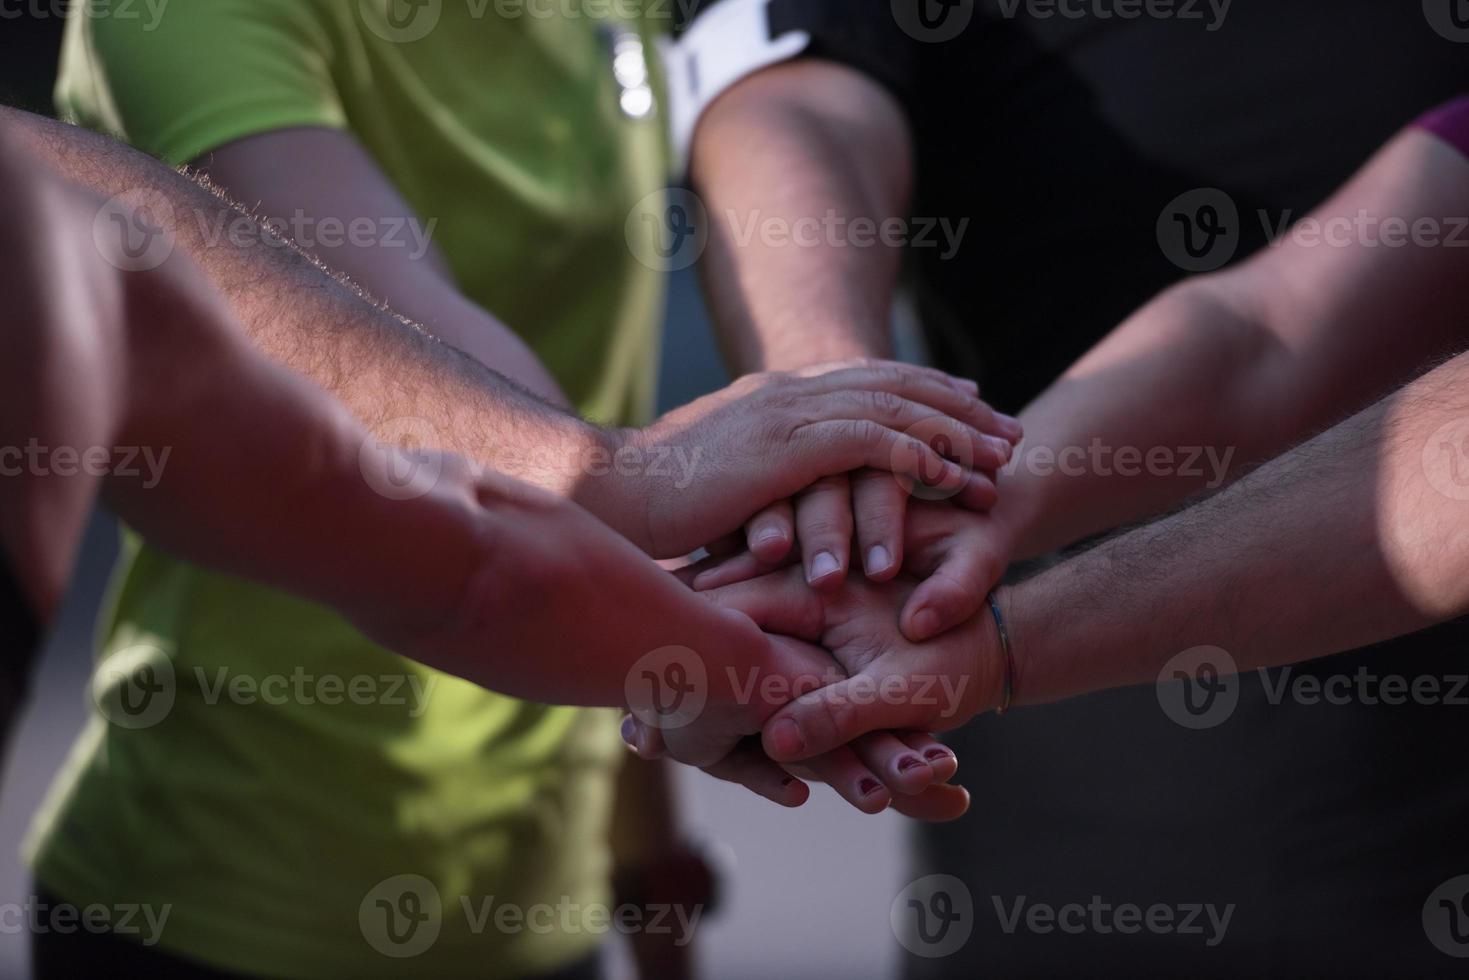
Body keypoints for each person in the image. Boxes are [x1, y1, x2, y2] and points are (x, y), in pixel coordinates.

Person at [8, 3, 1017, 970]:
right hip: (221, 902)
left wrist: (646, 854)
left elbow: (590, 413)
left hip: (542, 899)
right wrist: (767, 629)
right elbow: (471, 490)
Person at [667, 0, 1469, 971]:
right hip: (1093, 826)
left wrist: (981, 615)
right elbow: (1262, 339)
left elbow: (1318, 379)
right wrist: (898, 460)